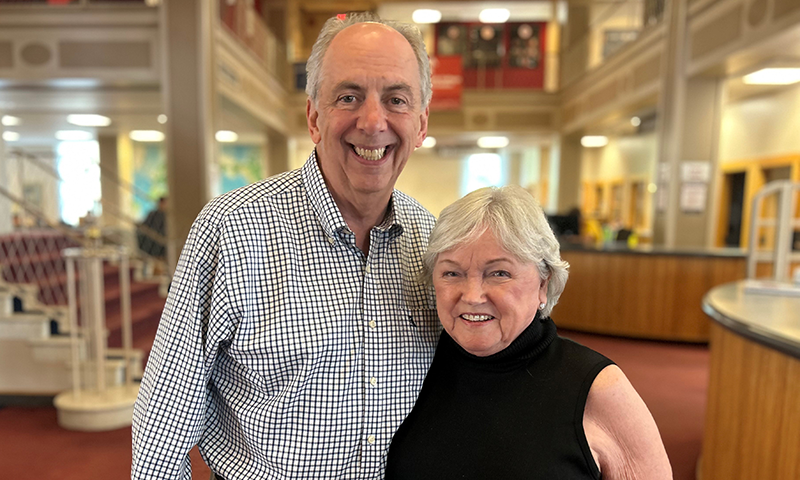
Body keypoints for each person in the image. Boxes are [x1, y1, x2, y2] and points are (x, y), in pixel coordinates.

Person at [132, 12, 438, 480]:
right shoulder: (232, 229)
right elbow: (164, 421)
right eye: (349, 97)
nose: (373, 122)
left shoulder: (433, 242)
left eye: (396, 99)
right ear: (315, 118)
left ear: (420, 124)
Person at [386, 185, 672, 479]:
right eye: (451, 273)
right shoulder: (413, 366)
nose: (472, 296)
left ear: (543, 285)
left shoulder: (597, 388)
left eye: (499, 273)